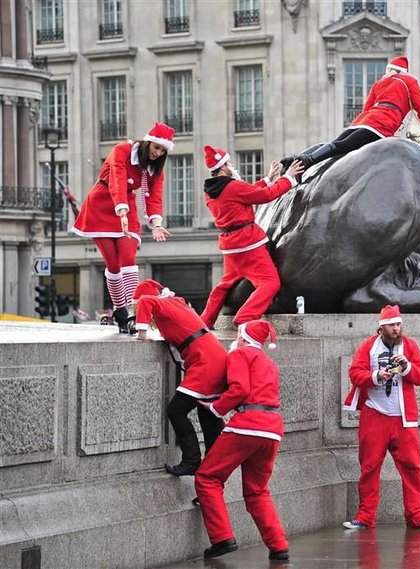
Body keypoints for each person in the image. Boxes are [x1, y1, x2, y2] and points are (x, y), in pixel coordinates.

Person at [195, 320, 290, 561]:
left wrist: (215, 408)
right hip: (272, 429)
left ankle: (222, 537)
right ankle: (278, 545)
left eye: (238, 334)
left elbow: (239, 389)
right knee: (257, 490)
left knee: (208, 477)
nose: (235, 339)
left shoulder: (240, 354)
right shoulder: (268, 362)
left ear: (244, 337)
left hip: (248, 425)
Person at [71, 122, 174, 334]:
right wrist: (121, 211)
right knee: (113, 265)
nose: (157, 153)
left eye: (162, 150)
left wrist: (156, 224)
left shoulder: (155, 168)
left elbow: (155, 195)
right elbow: (116, 179)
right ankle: (120, 310)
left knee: (128, 259)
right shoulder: (122, 150)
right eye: (156, 147)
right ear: (147, 142)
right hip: (102, 205)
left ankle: (133, 311)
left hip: (127, 208)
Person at [342, 304, 420, 530]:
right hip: (375, 413)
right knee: (369, 467)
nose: (397, 329)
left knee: (413, 467)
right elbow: (355, 373)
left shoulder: (410, 346)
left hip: (404, 417)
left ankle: (416, 516)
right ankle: (365, 517)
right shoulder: (368, 346)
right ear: (381, 328)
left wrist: (406, 368)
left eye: (398, 324)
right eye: (392, 325)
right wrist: (376, 375)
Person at [199, 145, 304, 328]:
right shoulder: (233, 186)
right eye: (229, 163)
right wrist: (288, 178)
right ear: (223, 167)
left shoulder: (210, 192)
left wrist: (268, 178)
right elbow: (265, 195)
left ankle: (205, 320)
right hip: (248, 243)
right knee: (270, 282)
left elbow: (245, 193)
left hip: (230, 246)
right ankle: (246, 317)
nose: (232, 166)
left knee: (225, 284)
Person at [133, 279, 228, 476]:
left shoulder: (160, 302)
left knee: (176, 411)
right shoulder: (176, 302)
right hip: (214, 356)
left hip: (205, 362)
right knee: (208, 416)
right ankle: (211, 474)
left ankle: (192, 461)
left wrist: (142, 333)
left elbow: (145, 301)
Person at [281, 56, 420, 171]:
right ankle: (307, 160)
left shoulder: (379, 83)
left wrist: (363, 122)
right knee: (343, 146)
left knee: (335, 144)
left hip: (363, 120)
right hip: (382, 124)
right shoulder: (409, 81)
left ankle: (295, 159)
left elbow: (367, 106)